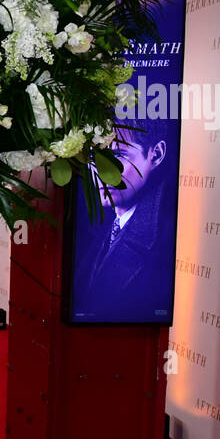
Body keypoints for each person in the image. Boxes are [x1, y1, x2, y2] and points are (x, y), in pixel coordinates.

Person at [76, 125, 176, 321]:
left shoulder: (166, 240)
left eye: (119, 155)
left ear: (156, 155)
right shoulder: (105, 227)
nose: (103, 173)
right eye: (94, 157)